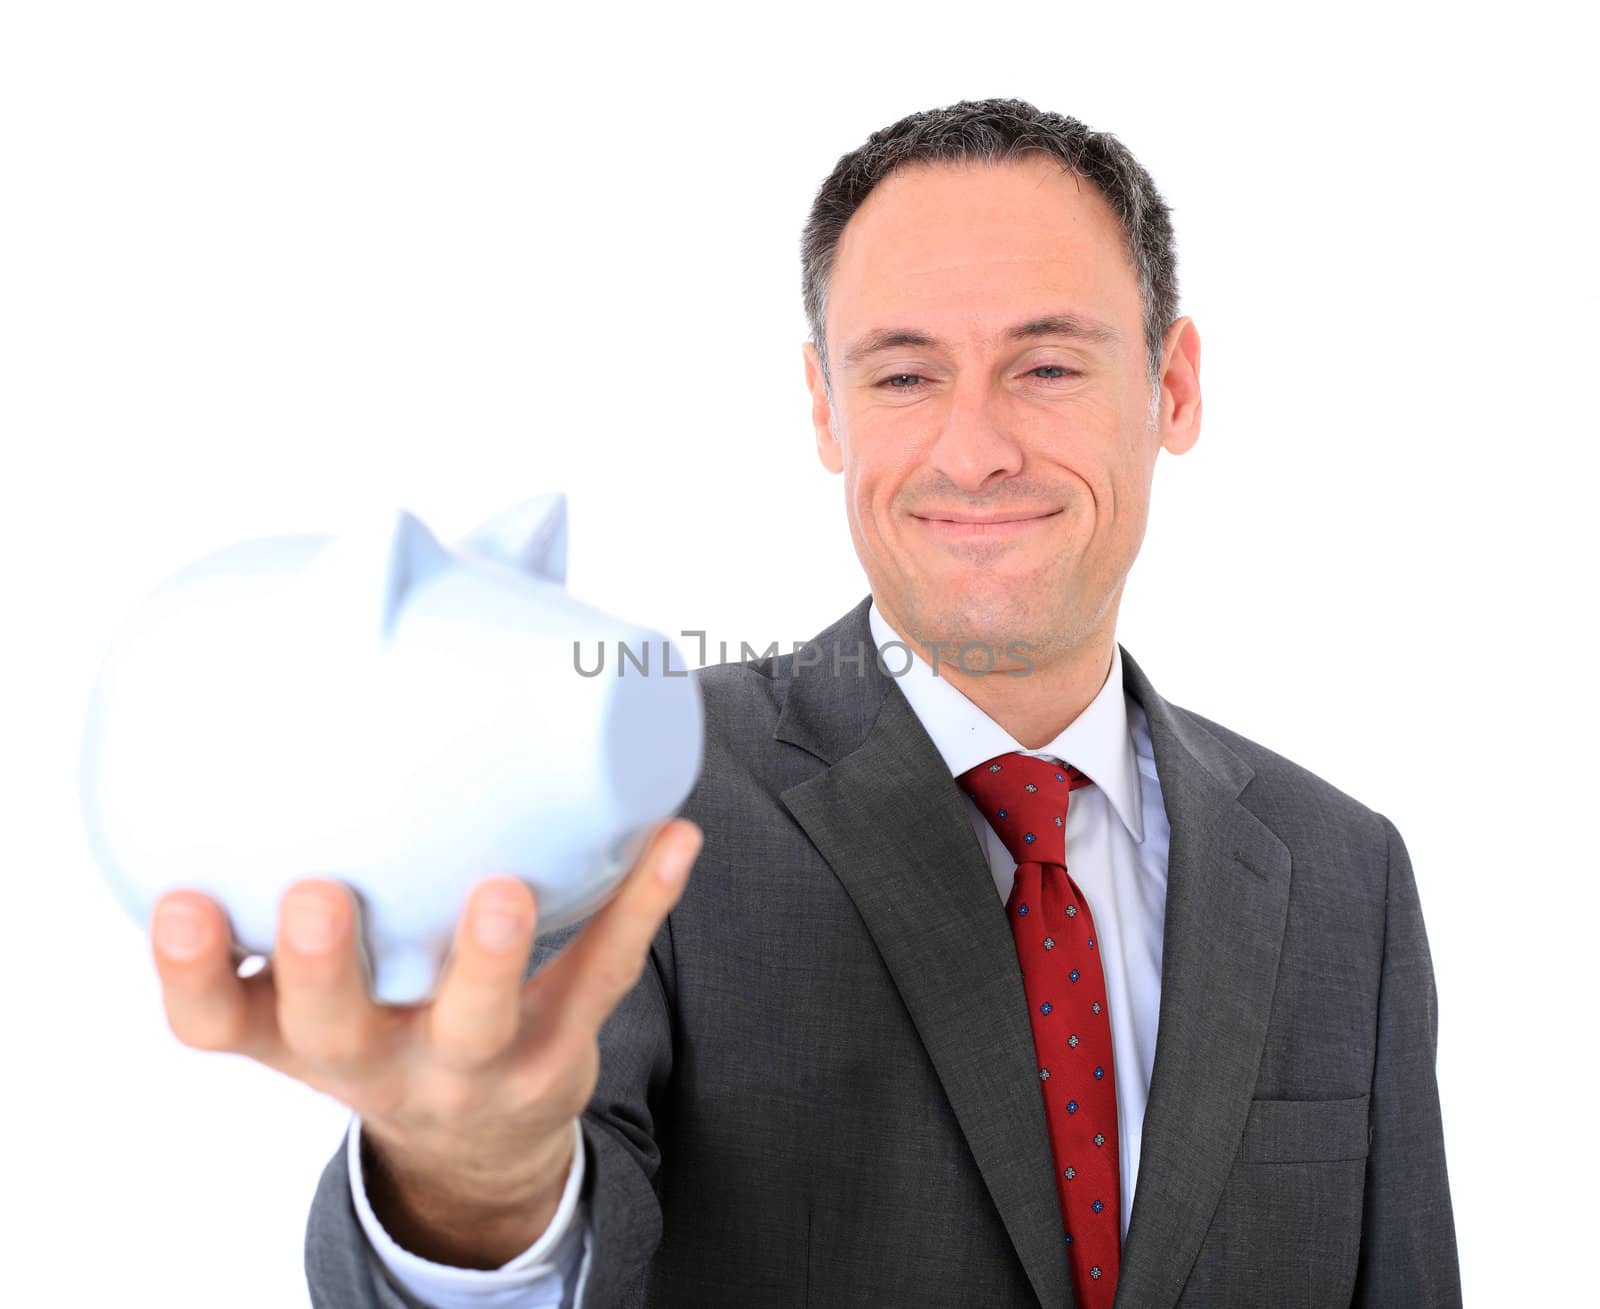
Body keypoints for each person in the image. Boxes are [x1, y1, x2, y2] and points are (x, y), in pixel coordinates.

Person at [149, 98, 1461, 1307]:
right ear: (825, 407)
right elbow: (534, 1205)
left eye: (1047, 366)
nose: (974, 446)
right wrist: (476, 1182)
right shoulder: (638, 793)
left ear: (1171, 387)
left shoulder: (1344, 871)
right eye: (902, 374)